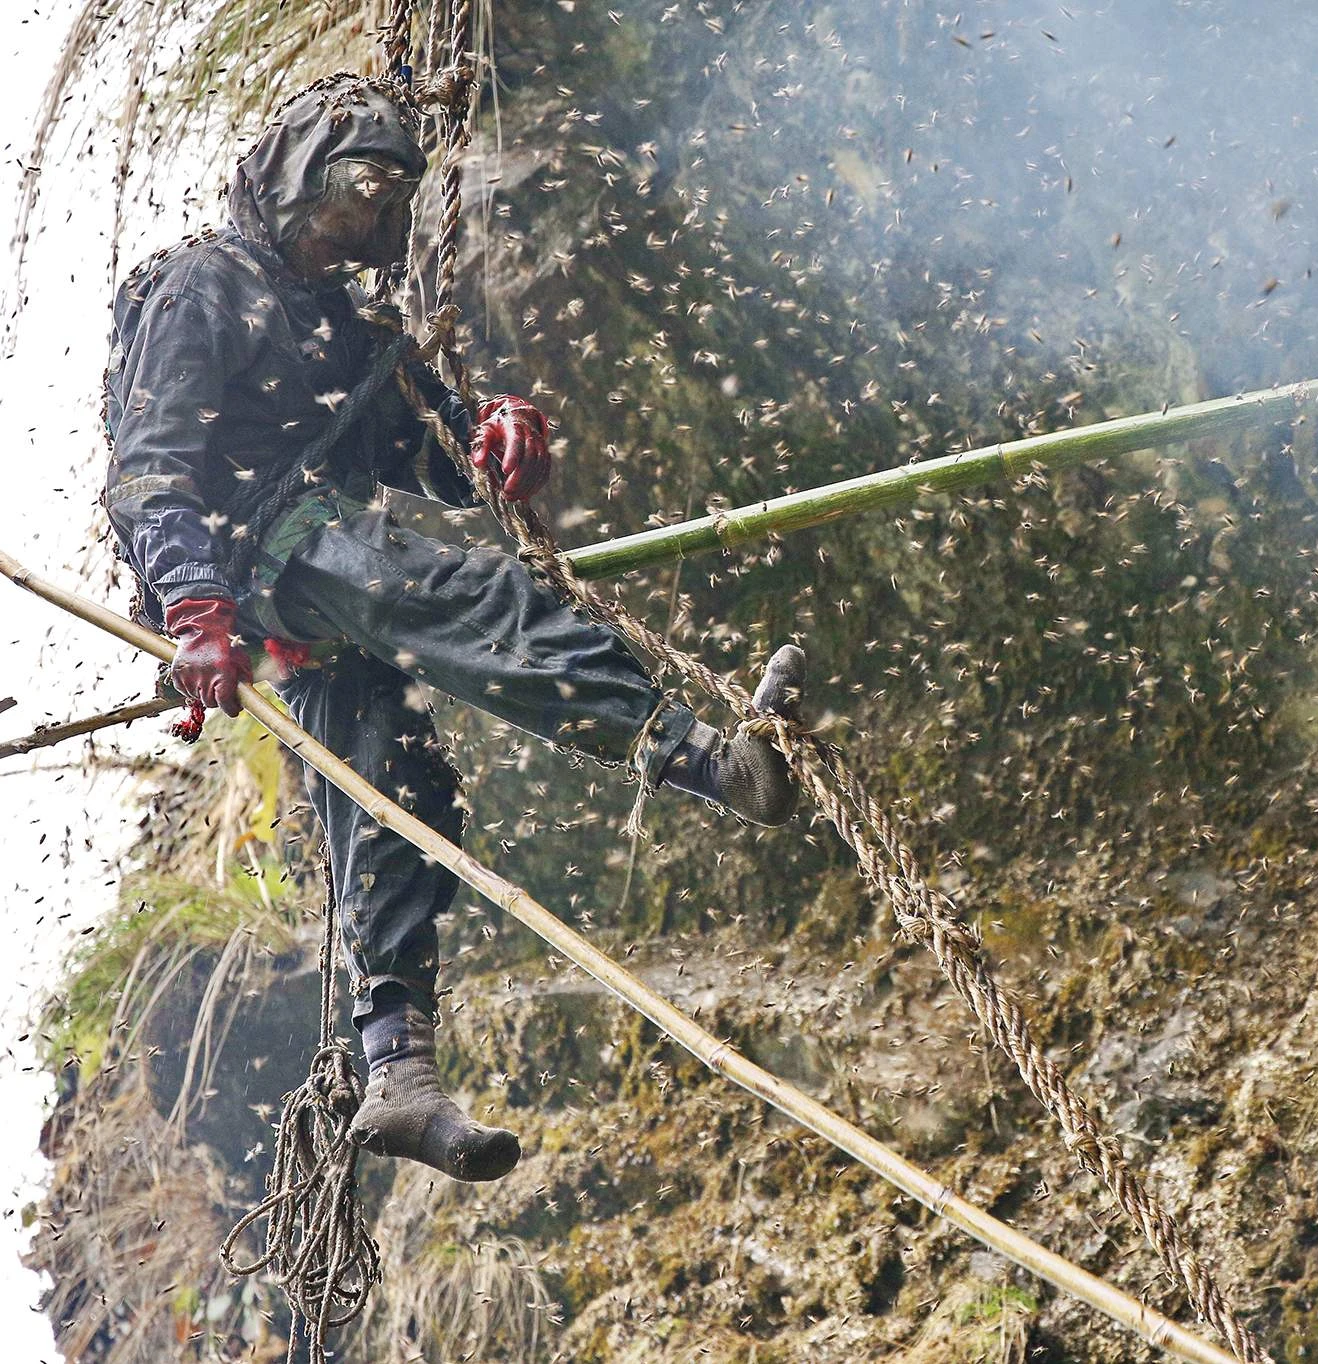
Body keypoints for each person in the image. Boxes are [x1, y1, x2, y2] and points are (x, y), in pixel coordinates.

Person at [101, 74, 805, 1185]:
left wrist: (494, 432)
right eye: (347, 207)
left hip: (305, 605)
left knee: (394, 787)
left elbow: (420, 447)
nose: (358, 235)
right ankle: (709, 763)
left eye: (379, 216)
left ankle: (396, 1072)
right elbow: (149, 475)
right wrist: (191, 609)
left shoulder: (341, 322)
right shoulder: (204, 285)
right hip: (258, 562)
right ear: (294, 179)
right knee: (455, 597)